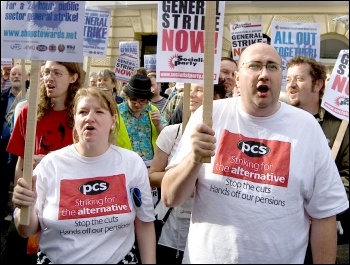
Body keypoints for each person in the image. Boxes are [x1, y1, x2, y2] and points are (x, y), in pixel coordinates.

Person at [161, 43, 349, 264]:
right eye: (254, 66)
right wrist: (193, 159)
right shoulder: (210, 116)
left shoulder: (307, 128)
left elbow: (324, 214)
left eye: (272, 67)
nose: (264, 74)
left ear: (281, 76)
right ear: (238, 78)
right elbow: (170, 197)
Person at [11, 87, 156, 264]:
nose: (89, 117)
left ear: (113, 120)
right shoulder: (51, 165)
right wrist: (25, 207)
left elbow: (145, 222)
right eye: (83, 112)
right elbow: (26, 231)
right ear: (75, 119)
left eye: (99, 111)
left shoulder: (131, 163)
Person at [3, 61, 83, 264]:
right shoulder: (27, 113)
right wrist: (19, 201)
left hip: (70, 204)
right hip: (35, 203)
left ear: (73, 78)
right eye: (46, 72)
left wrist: (49, 161)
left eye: (57, 72)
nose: (49, 78)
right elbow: (21, 162)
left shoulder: (82, 117)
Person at [149, 80, 227, 264]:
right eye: (189, 90)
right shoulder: (171, 133)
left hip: (208, 233)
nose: (191, 94)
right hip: (171, 230)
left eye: (199, 90)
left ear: (217, 98)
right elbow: (152, 176)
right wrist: (184, 180)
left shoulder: (228, 137)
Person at [285, 56, 349, 259]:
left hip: (323, 230)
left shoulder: (340, 126)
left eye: (299, 79)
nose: (291, 85)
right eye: (288, 80)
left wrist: (328, 207)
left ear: (318, 84)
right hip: (284, 229)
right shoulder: (276, 120)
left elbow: (348, 174)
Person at [116, 74, 167, 207]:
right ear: (127, 96)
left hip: (150, 168)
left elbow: (168, 139)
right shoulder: (116, 112)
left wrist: (159, 125)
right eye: (134, 100)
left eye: (142, 101)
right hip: (125, 165)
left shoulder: (153, 110)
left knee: (149, 204)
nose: (138, 104)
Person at [0, 64, 23, 222]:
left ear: (27, 77)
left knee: (17, 181)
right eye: (13, 74)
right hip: (2, 146)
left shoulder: (30, 97)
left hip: (20, 149)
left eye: (19, 74)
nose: (15, 76)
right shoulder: (2, 96)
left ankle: (17, 213)